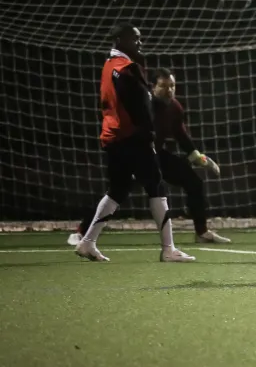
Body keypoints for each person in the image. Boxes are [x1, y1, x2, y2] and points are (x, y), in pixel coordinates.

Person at [74, 23, 194, 263]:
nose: (140, 43)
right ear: (119, 40)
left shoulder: (110, 66)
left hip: (112, 137)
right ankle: (168, 249)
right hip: (131, 138)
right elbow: (139, 107)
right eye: (135, 39)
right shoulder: (127, 69)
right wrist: (148, 134)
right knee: (157, 187)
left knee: (117, 190)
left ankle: (87, 242)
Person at [69, 68, 229, 245]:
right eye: (163, 86)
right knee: (115, 193)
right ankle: (81, 232)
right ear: (152, 87)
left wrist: (198, 157)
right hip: (136, 155)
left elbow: (181, 135)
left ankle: (202, 233)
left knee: (194, 182)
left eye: (172, 86)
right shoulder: (143, 104)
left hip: (157, 155)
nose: (169, 91)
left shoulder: (175, 107)